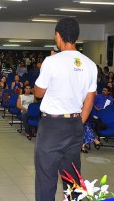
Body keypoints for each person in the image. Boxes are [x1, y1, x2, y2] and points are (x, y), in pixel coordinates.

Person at [34, 18, 97, 201]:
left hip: (52, 126)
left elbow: (38, 93)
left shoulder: (51, 61)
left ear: (58, 35)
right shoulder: (90, 65)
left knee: (46, 178)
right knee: (72, 178)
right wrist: (78, 122)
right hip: (75, 124)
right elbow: (89, 102)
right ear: (76, 37)